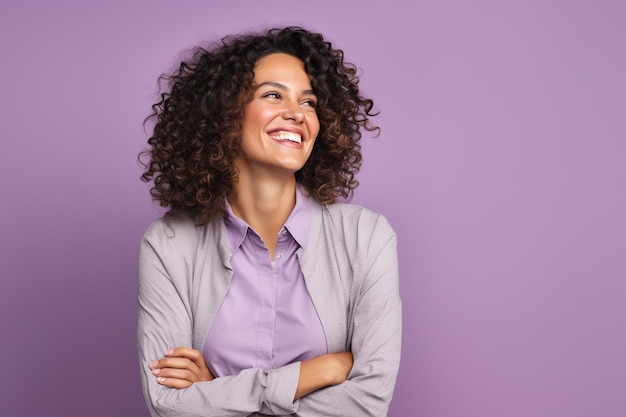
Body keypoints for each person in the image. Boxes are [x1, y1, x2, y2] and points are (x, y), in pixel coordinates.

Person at [137, 26, 402, 416]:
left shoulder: (366, 237)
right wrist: (319, 370)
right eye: (273, 95)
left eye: (309, 102)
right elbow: (168, 405)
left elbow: (368, 402)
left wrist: (218, 392)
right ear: (225, 114)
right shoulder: (168, 244)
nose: (297, 114)